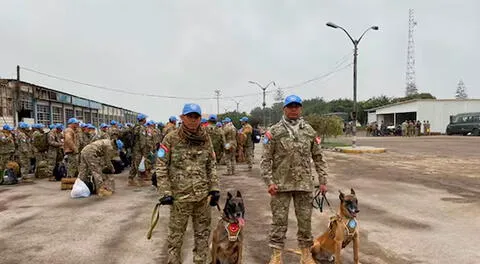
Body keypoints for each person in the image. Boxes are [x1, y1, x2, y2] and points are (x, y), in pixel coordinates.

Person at [261, 94, 328, 264]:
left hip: (304, 185)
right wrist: (269, 182)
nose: (293, 109)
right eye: (290, 106)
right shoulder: (274, 131)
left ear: (301, 109)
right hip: (280, 185)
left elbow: (318, 157)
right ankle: (276, 256)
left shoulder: (309, 131)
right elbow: (265, 160)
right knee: (279, 222)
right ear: (284, 109)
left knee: (305, 222)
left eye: (296, 106)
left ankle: (305, 255)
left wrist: (323, 180)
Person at [156, 103, 219, 264]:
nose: (192, 120)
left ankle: (200, 261)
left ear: (200, 119)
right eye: (189, 116)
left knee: (202, 235)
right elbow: (161, 165)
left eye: (196, 117)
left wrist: (214, 188)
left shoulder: (205, 138)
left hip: (202, 198)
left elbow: (211, 164)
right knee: (176, 236)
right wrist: (165, 192)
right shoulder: (171, 138)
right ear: (182, 118)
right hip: (179, 198)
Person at [128, 113, 148, 186]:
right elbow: (142, 140)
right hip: (139, 149)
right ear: (143, 119)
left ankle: (131, 179)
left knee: (134, 164)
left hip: (134, 148)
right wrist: (144, 151)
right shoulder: (141, 128)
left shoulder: (135, 127)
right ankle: (140, 181)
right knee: (139, 164)